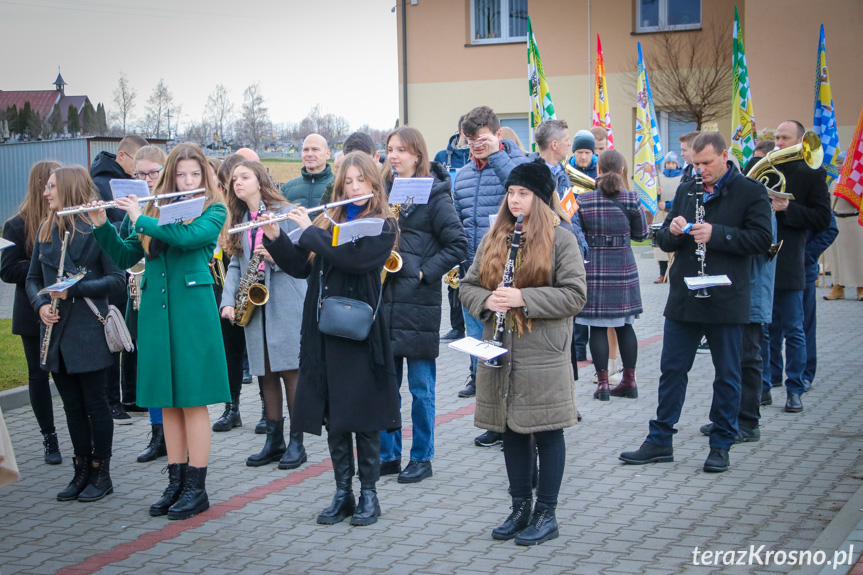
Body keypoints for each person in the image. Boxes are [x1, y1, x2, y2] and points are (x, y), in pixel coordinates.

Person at [89, 142, 230, 520]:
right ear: (170, 176)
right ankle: (176, 480)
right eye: (181, 174)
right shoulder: (153, 207)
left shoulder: (213, 209)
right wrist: (103, 225)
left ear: (204, 177)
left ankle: (196, 487)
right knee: (167, 399)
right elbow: (123, 256)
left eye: (194, 174)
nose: (187, 181)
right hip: (155, 311)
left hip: (192, 312)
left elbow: (186, 239)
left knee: (193, 399)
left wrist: (139, 216)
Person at [261, 152, 401, 527]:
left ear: (374, 184)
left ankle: (369, 494)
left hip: (360, 333)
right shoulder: (330, 218)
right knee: (334, 414)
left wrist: (310, 229)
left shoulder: (382, 224)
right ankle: (343, 493)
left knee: (364, 414)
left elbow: (353, 260)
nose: (354, 187)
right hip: (324, 331)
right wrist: (276, 236)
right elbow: (301, 266)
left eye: (361, 180)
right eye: (348, 181)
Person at [619, 132, 772, 473]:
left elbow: (763, 239)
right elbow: (664, 242)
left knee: (728, 374)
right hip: (686, 297)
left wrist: (717, 234)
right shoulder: (688, 189)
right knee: (672, 369)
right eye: (695, 164)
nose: (700, 170)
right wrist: (671, 232)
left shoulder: (750, 191)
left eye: (706, 163)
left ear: (725, 156)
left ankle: (721, 443)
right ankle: (660, 439)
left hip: (727, 298)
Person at [460, 159, 586, 546]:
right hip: (500, 348)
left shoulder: (561, 237)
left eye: (524, 194)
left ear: (541, 197)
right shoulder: (496, 234)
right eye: (511, 193)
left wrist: (522, 298)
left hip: (543, 350)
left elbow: (576, 295)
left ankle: (547, 513)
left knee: (547, 431)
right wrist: (488, 302)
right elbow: (467, 285)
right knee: (509, 430)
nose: (515, 200)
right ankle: (520, 507)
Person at [25, 166, 126, 501]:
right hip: (55, 332)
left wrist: (75, 289)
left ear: (67, 189)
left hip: (88, 331)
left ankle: (102, 472)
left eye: (51, 187)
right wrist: (40, 304)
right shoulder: (46, 228)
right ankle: (81, 469)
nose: (45, 193)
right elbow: (32, 279)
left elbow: (116, 281)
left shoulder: (98, 228)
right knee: (71, 406)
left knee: (95, 404)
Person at [378, 127, 467, 483]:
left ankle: (422, 457)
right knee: (385, 387)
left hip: (418, 306)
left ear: (418, 155)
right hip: (385, 303)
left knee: (420, 389)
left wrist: (422, 273)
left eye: (402, 150)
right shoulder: (382, 193)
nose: (394, 156)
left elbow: (458, 244)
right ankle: (388, 454)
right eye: (389, 149)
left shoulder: (435, 195)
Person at [220, 160, 308, 469]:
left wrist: (277, 255)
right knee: (265, 372)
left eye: (245, 177)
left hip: (285, 300)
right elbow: (235, 263)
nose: (238, 183)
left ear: (260, 181)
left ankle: (297, 442)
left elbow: (302, 255)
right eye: (234, 179)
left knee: (290, 371)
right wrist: (228, 300)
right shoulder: (240, 218)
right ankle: (274, 441)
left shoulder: (284, 212)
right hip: (254, 304)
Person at [452, 105, 528, 449]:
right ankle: (494, 422)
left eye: (481, 139)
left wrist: (496, 155)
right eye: (470, 140)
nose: (475, 146)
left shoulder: (515, 165)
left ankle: (516, 421)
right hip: (474, 273)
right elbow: (459, 220)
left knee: (509, 351)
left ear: (498, 135)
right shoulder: (464, 174)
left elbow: (523, 188)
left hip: (511, 274)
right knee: (483, 352)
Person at [766, 121, 831, 413]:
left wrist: (788, 208)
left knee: (794, 329)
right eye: (777, 138)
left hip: (792, 260)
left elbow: (822, 218)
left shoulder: (812, 173)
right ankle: (763, 386)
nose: (778, 142)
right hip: (763, 260)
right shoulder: (762, 167)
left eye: (785, 138)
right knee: (763, 329)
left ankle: (796, 389)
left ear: (800, 140)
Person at [1, 160, 63, 465]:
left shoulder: (66, 219)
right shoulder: (16, 224)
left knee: (68, 371)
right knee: (38, 375)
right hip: (31, 310)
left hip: (66, 309)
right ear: (43, 185)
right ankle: (49, 437)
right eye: (53, 181)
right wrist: (44, 267)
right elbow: (7, 269)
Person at [577, 150, 648, 401]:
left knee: (597, 328)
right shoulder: (632, 198)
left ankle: (603, 385)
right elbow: (642, 236)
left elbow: (579, 237)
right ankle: (629, 381)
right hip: (624, 268)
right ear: (621, 171)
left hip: (594, 269)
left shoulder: (583, 201)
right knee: (625, 326)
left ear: (598, 171)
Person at [90, 135, 148, 425]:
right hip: (113, 267)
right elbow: (108, 225)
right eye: (137, 166)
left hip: (134, 268)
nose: (140, 174)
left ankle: (133, 395)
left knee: (134, 337)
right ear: (123, 156)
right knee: (115, 334)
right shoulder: (100, 183)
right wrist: (128, 219)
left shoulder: (135, 182)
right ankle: (113, 400)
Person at [532, 119, 589, 372]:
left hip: (565, 251)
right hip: (542, 255)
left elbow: (570, 213)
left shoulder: (563, 174)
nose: (569, 143)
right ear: (554, 144)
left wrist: (580, 243)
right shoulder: (533, 173)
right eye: (567, 139)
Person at [124, 145, 169, 463]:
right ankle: (157, 434)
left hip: (169, 295)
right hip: (142, 292)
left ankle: (175, 433)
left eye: (153, 172)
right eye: (140, 174)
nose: (147, 179)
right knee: (149, 364)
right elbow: (127, 252)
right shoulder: (134, 206)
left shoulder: (174, 203)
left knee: (171, 367)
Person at [212, 155, 251, 435]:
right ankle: (232, 407)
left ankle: (265, 410)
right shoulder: (215, 208)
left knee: (258, 352)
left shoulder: (240, 209)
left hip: (249, 283)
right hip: (224, 286)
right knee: (231, 350)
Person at [434, 115, 471, 343]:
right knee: (453, 281)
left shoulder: (479, 155)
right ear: (460, 131)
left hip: (470, 222)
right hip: (449, 223)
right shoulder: (441, 157)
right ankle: (457, 327)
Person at [824, 152, 863, 301]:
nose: (839, 166)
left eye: (842, 162)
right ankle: (838, 287)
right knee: (837, 258)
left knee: (857, 257)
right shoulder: (835, 182)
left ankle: (861, 287)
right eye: (838, 162)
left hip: (854, 222)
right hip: (837, 222)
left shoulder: (857, 180)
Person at [318, 132, 380, 206]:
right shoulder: (334, 185)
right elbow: (322, 214)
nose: (355, 187)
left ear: (377, 157)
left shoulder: (390, 183)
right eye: (348, 182)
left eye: (366, 163)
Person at [280, 134, 334, 208]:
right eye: (305, 150)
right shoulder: (286, 189)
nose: (309, 154)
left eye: (315, 149)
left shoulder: (339, 185)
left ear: (327, 154)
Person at [655, 152, 683, 283]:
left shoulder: (681, 179)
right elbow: (651, 199)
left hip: (675, 215)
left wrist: (667, 204)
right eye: (668, 163)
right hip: (661, 215)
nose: (670, 165)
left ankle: (672, 273)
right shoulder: (659, 179)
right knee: (660, 247)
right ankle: (662, 274)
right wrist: (657, 195)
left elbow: (680, 198)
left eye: (673, 163)